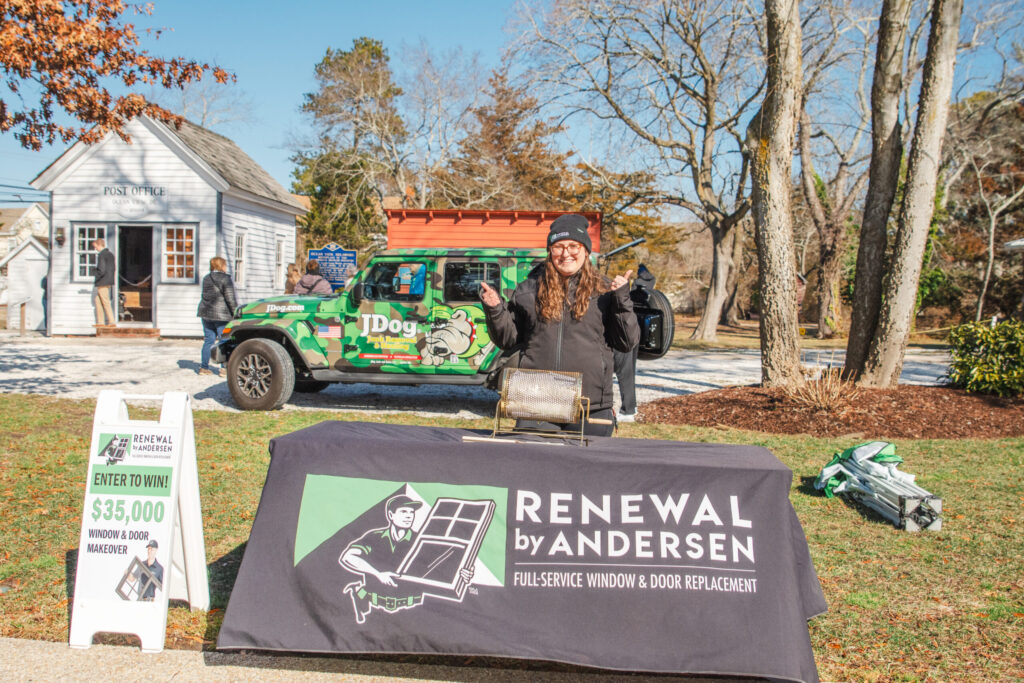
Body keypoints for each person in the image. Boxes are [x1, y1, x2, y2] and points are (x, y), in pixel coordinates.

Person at [480, 214, 640, 437]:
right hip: (535, 401)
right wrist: (496, 309)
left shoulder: (605, 291)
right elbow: (507, 339)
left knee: (588, 470)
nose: (566, 253)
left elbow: (627, 342)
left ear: (585, 251)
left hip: (590, 405)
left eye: (573, 245)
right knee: (535, 468)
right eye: (558, 246)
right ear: (550, 252)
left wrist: (622, 298)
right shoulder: (528, 290)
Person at [196, 256, 238, 375]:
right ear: (222, 265)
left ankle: (204, 367)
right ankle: (224, 368)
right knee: (224, 340)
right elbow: (230, 298)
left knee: (208, 340)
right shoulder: (225, 279)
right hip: (221, 315)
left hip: (206, 313)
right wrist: (236, 312)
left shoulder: (206, 278)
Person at [92, 238, 115, 326]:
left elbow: (101, 270)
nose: (95, 249)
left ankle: (111, 321)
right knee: (97, 301)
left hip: (102, 281)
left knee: (105, 302)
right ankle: (100, 321)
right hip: (108, 280)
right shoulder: (110, 254)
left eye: (95, 247)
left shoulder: (102, 255)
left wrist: (94, 272)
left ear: (99, 245)